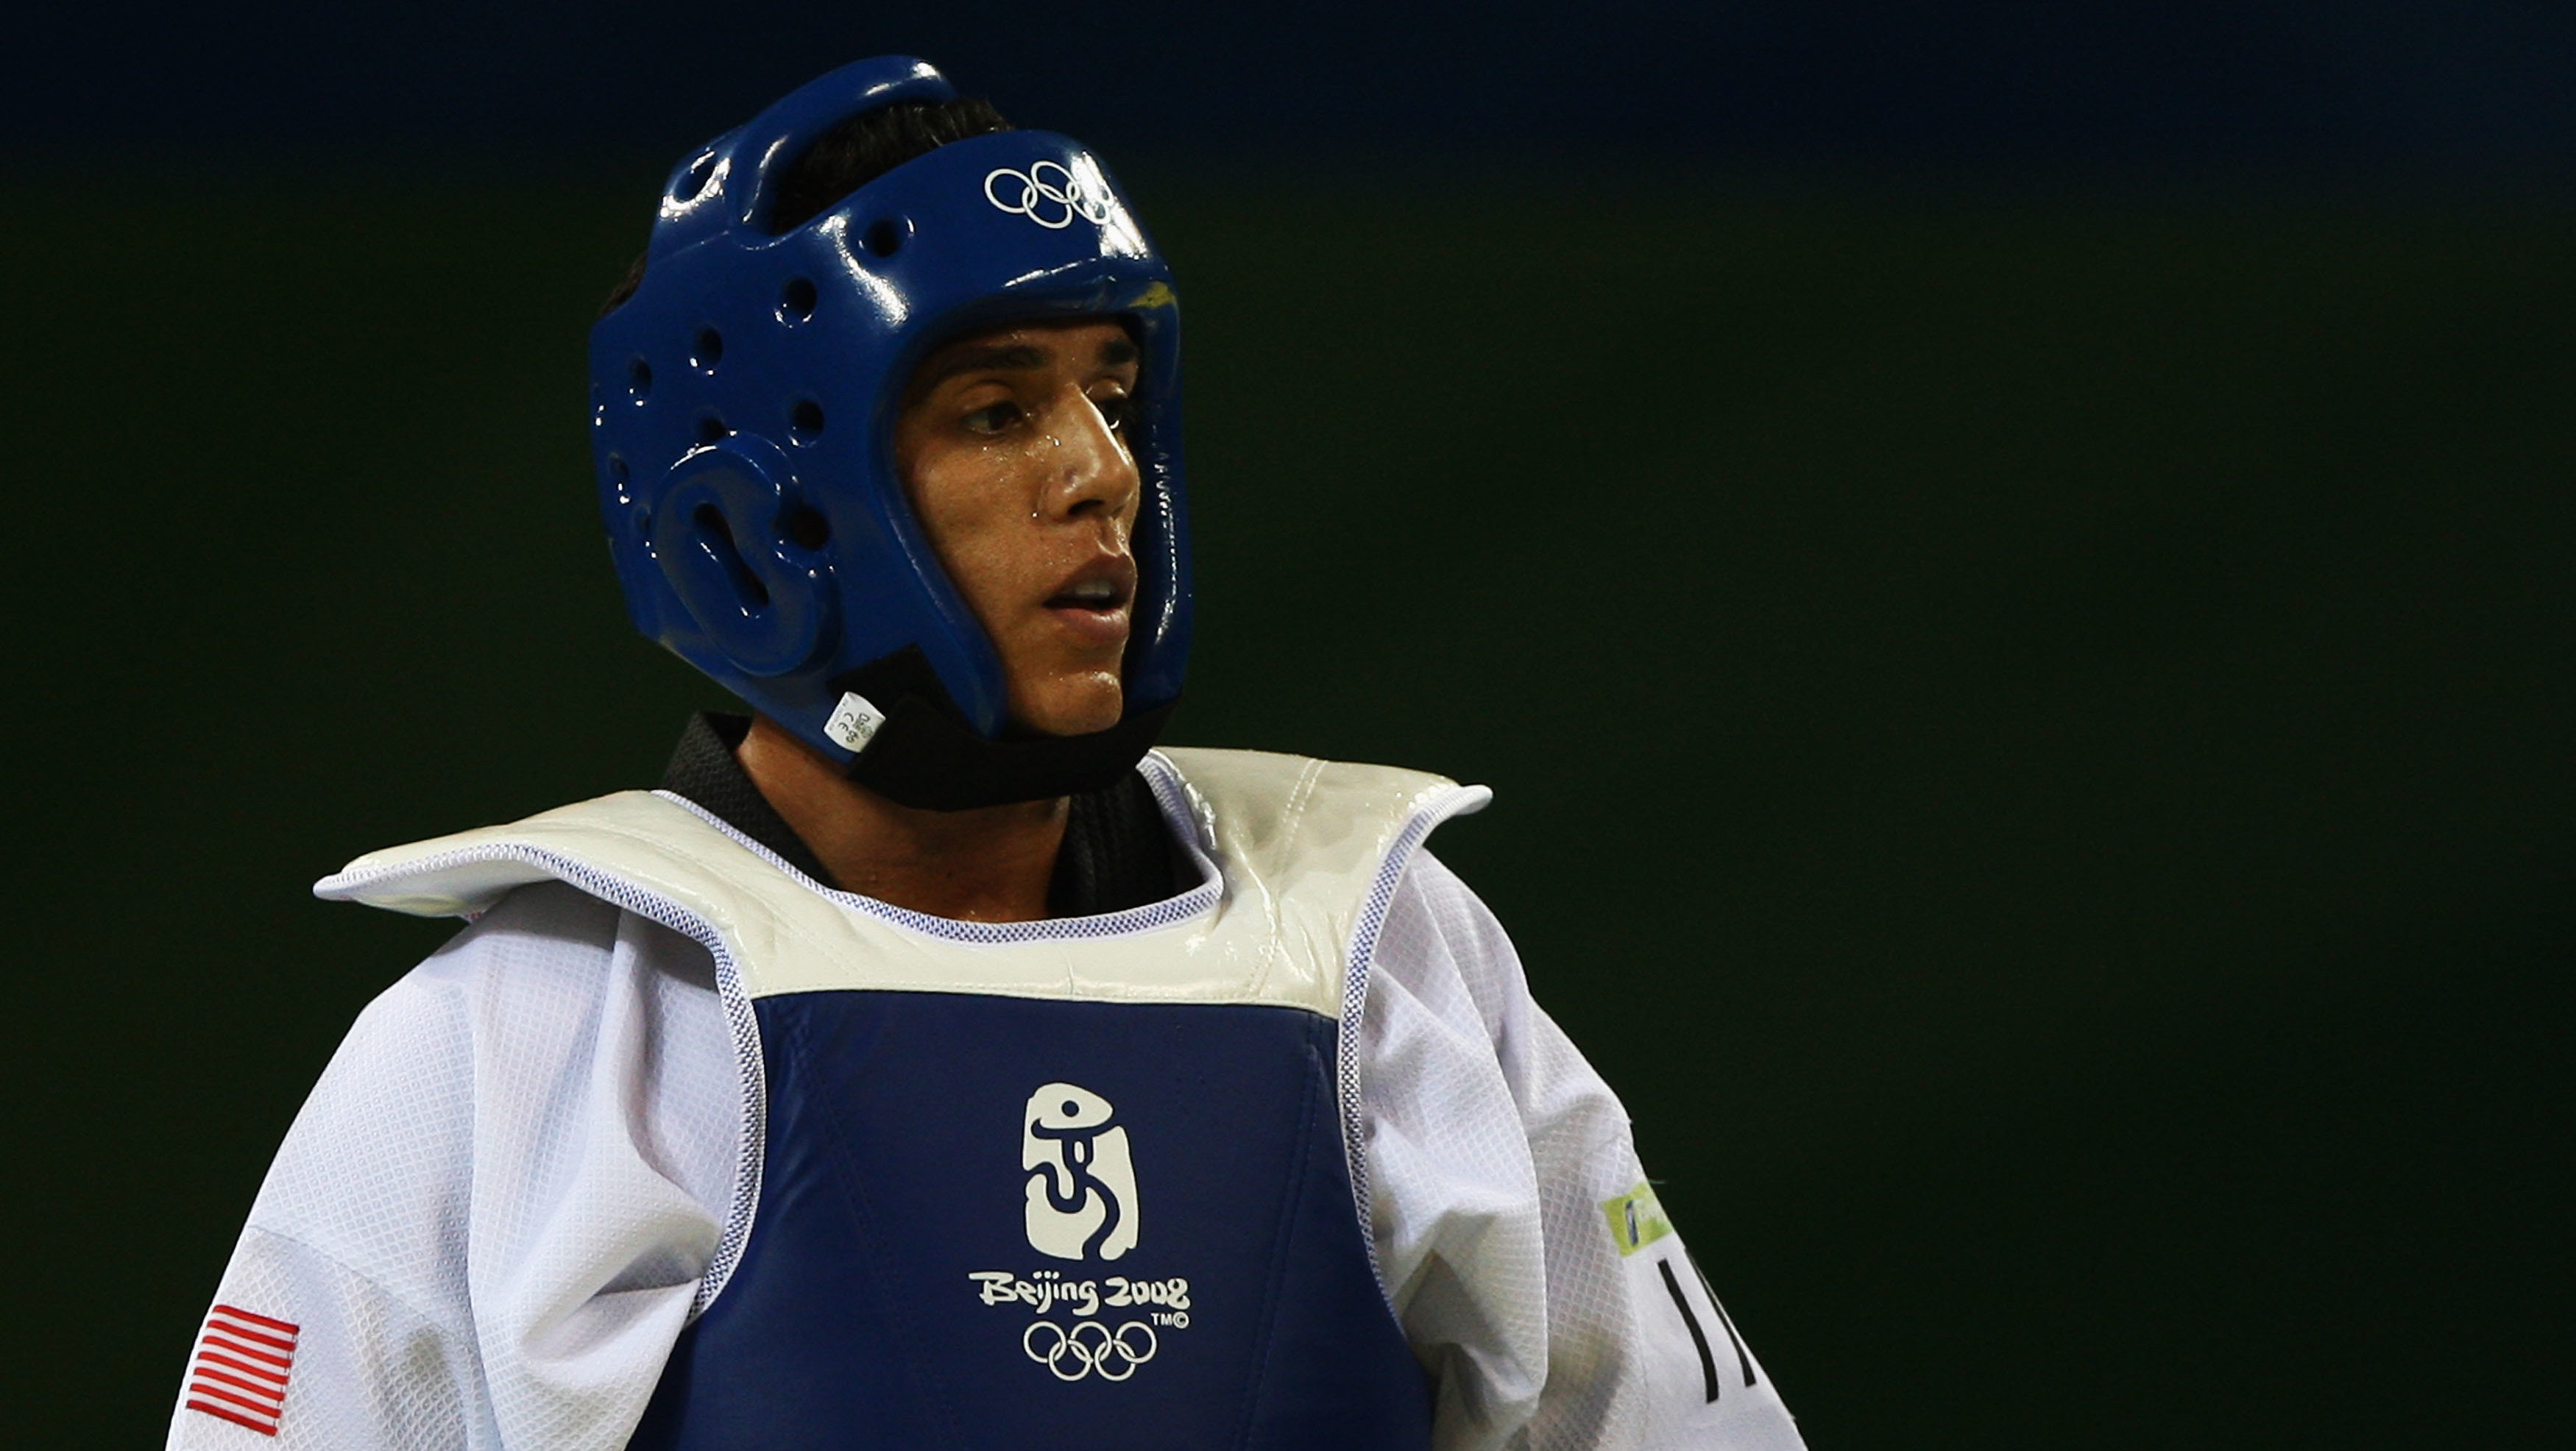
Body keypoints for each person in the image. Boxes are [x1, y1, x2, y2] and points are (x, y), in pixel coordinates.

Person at [169, 57, 1808, 1451]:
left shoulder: (1386, 958)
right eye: (996, 409)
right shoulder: (531, 1033)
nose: (1102, 471)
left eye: (1112, 390)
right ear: (755, 528)